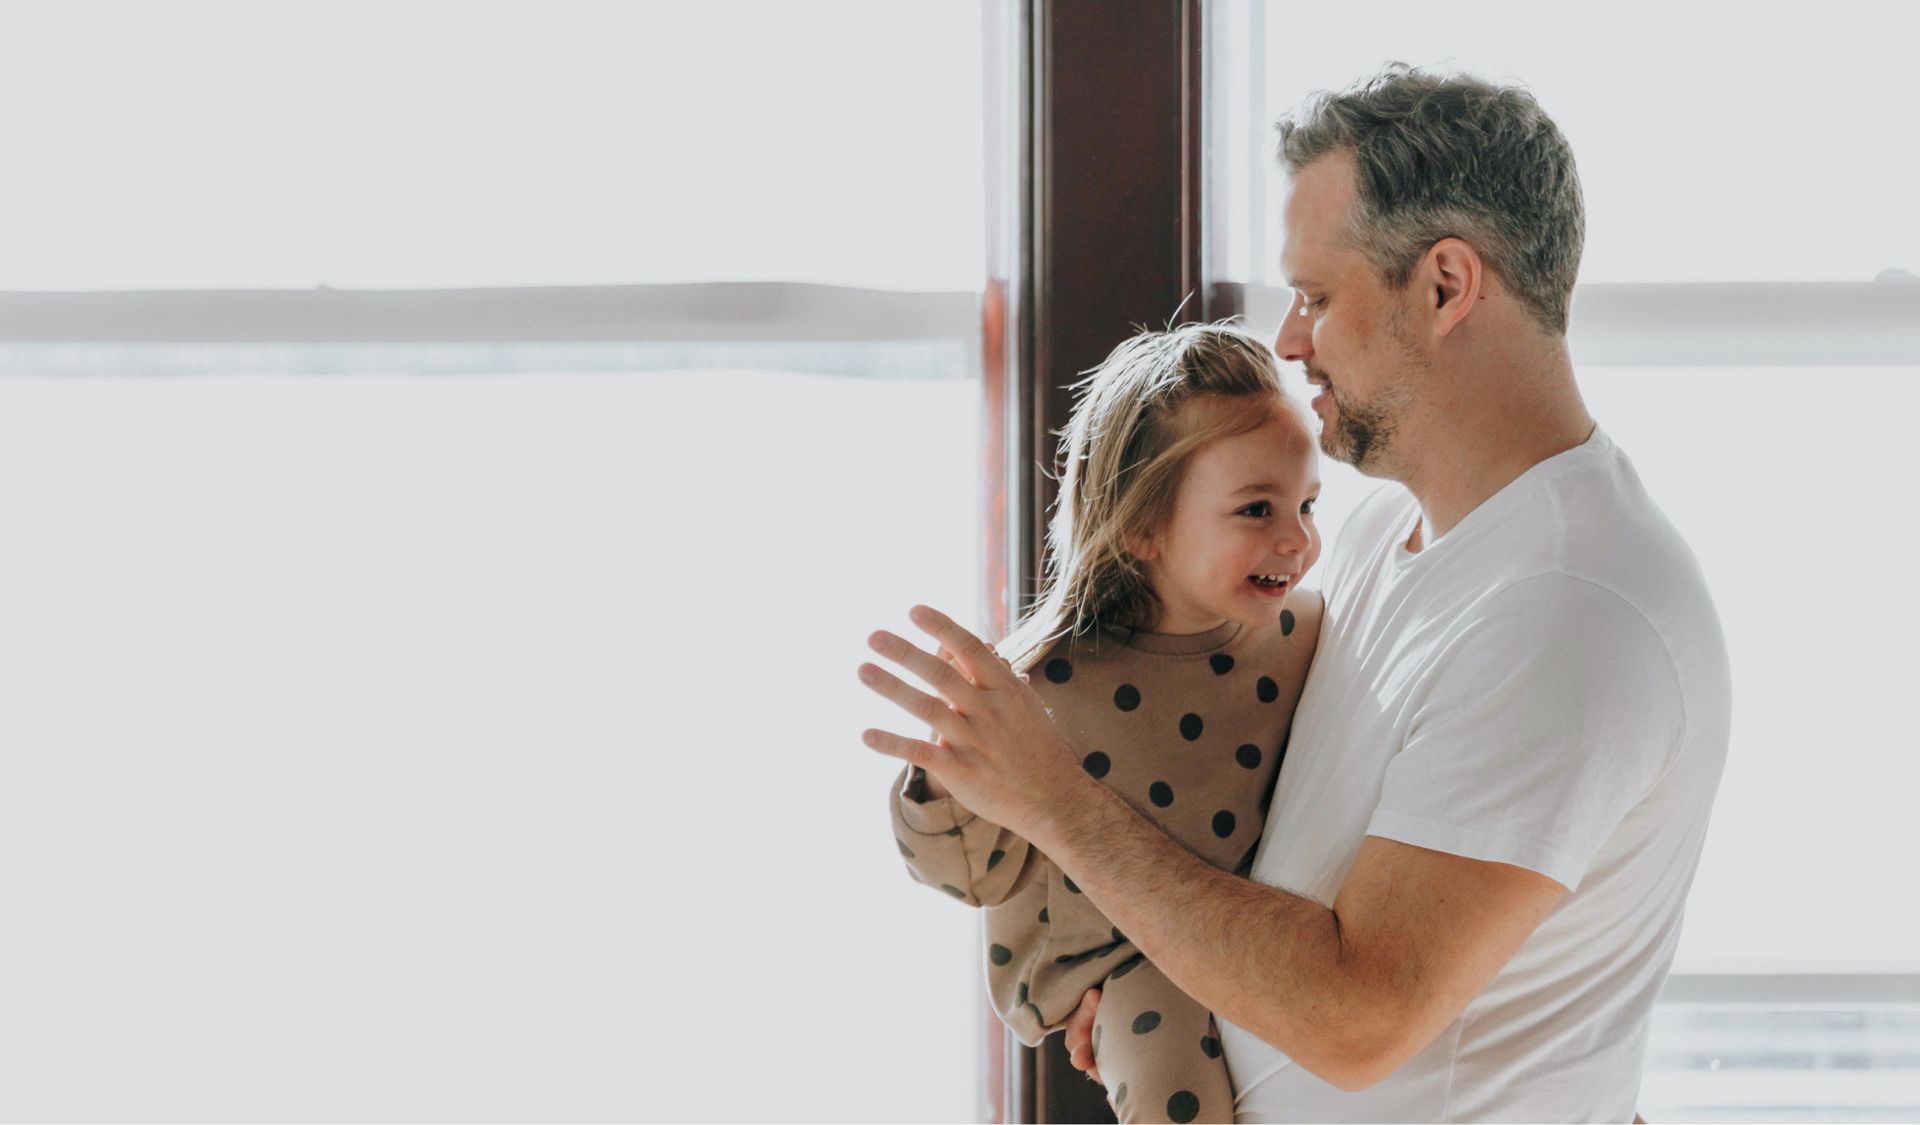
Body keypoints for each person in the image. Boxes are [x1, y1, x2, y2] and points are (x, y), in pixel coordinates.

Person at [857, 64, 1730, 1120]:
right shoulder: (1367, 537)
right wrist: (1161, 976)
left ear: (1446, 286)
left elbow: (1358, 1014)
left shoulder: (1571, 609)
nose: (1289, 339)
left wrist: (1054, 798)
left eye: (1319, 295)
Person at [890, 324, 1324, 1124]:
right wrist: (938, 772)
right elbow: (966, 875)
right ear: (1142, 527)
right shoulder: (1049, 685)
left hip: (1258, 929)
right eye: (1256, 509)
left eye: (1306, 503)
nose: (1297, 539)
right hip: (1122, 962)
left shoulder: (1310, 634)